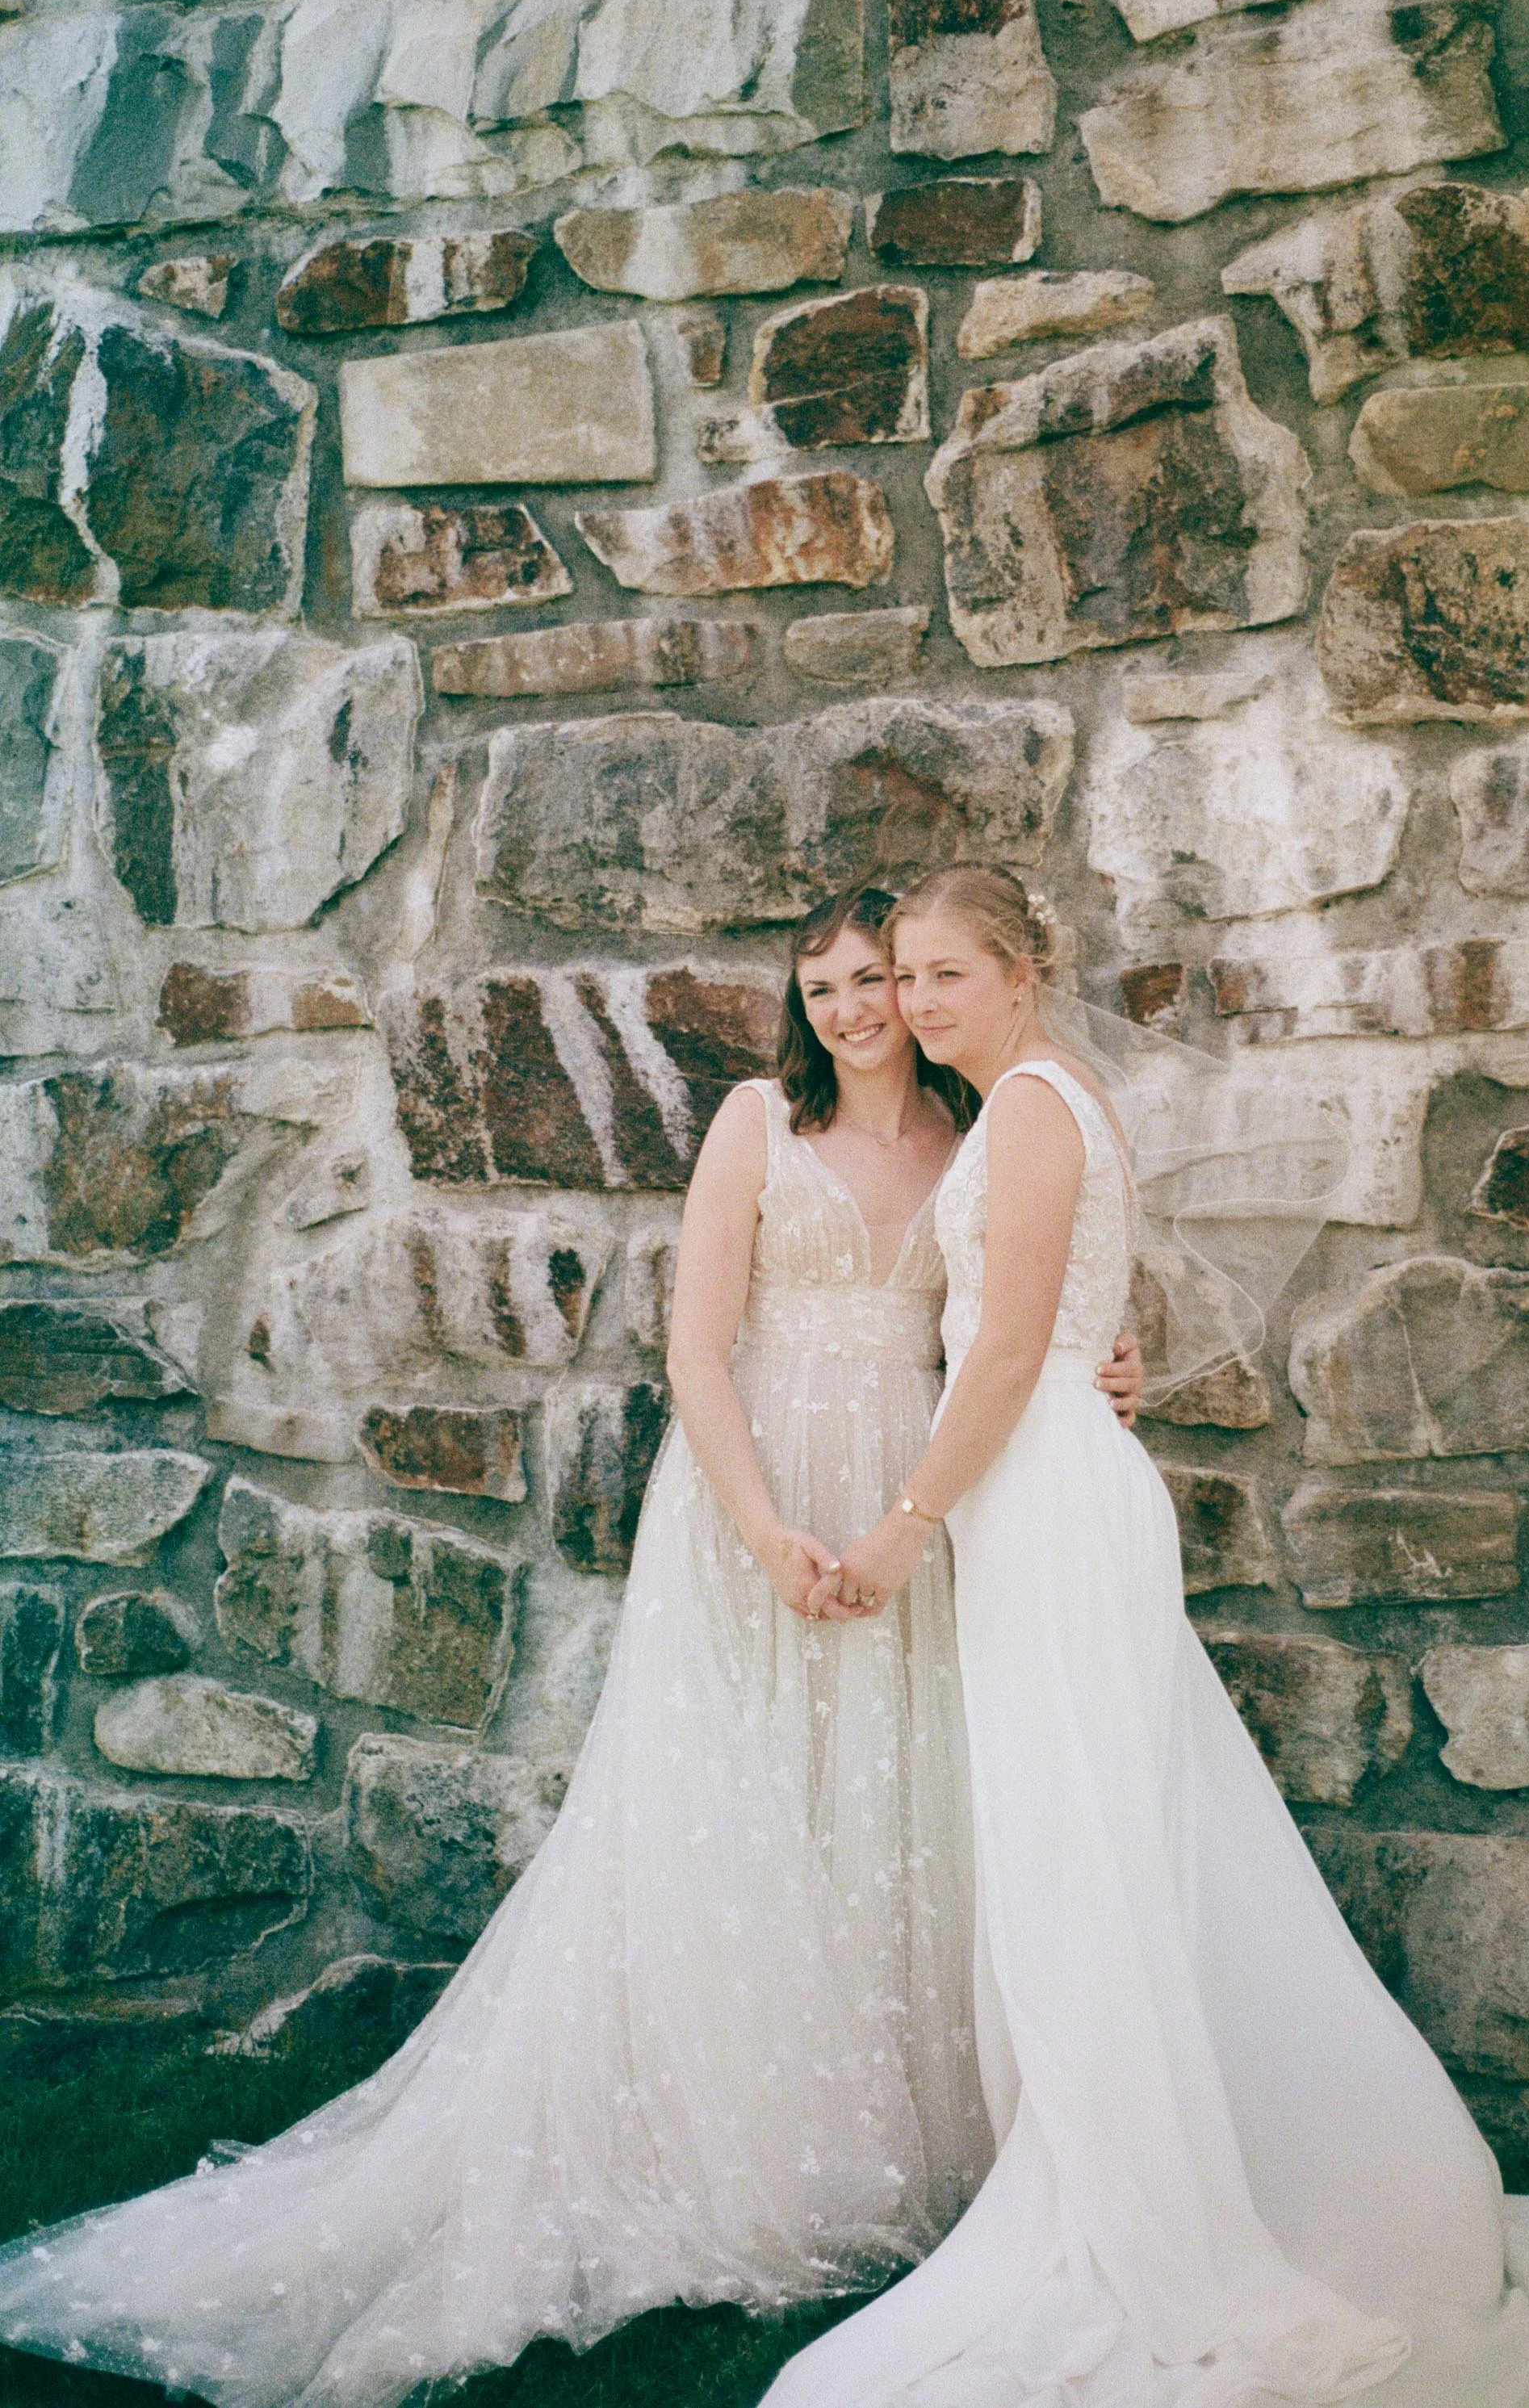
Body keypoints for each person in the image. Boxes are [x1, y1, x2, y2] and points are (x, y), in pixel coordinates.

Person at [0, 883, 1145, 2408]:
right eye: (827, 989)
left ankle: (892, 2123)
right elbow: (694, 1343)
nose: (862, 1010)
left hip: (907, 1481)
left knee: (889, 1792)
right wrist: (754, 1523)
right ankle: (720, 2125)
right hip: (756, 1489)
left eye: (882, 979)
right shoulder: (756, 1122)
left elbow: (1001, 1315)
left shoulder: (972, 1136)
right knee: (728, 1805)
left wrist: (1097, 1366)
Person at [765, 862, 1529, 2408]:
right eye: (896, 978)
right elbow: (1049, 1326)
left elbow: (1000, 1347)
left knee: (1096, 1854)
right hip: (1037, 1483)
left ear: (1019, 974)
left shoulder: (1038, 1106)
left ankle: (1189, 2222)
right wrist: (1075, 1382)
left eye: (939, 975)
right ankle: (1137, 2168)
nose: (910, 1004)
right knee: (1107, 1849)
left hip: (1036, 1500)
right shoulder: (1021, 1110)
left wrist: (906, 1519)